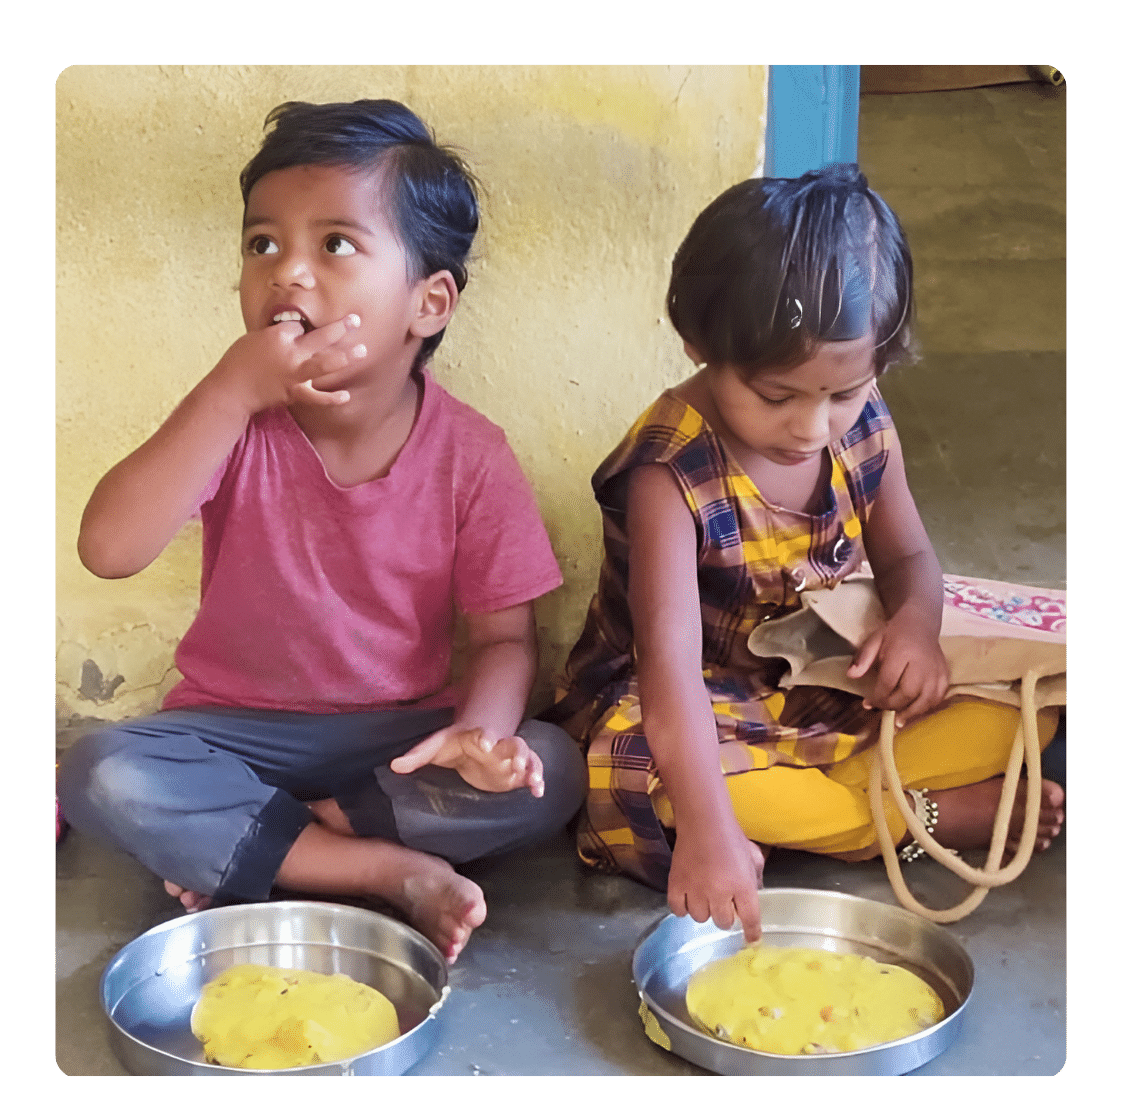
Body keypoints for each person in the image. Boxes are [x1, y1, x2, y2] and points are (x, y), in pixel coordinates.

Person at [57, 99, 586, 964]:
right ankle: (380, 870)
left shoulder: (472, 454)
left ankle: (276, 850)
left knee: (553, 767)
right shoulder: (234, 423)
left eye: (334, 244)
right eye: (263, 243)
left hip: (394, 744)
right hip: (229, 732)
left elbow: (503, 638)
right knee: (100, 771)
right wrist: (229, 392)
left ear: (428, 301)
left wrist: (481, 739)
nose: (288, 274)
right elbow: (109, 550)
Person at [546, 165, 1065, 942]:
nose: (812, 427)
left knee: (1031, 710)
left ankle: (838, 795)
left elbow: (911, 558)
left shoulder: (861, 416)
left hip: (826, 674)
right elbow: (669, 676)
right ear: (700, 344)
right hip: (694, 704)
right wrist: (711, 829)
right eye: (777, 395)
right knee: (652, 786)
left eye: (844, 393)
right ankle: (910, 814)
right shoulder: (668, 472)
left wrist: (916, 631)